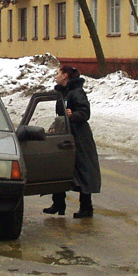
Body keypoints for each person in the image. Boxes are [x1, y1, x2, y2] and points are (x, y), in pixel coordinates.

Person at [43, 65, 102, 218]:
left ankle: (86, 208)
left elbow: (85, 113)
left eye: (58, 73)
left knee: (83, 169)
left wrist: (73, 115)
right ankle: (58, 203)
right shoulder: (63, 93)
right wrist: (55, 127)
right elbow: (61, 116)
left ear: (65, 76)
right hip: (65, 133)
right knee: (60, 167)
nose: (56, 76)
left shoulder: (76, 92)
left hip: (79, 137)